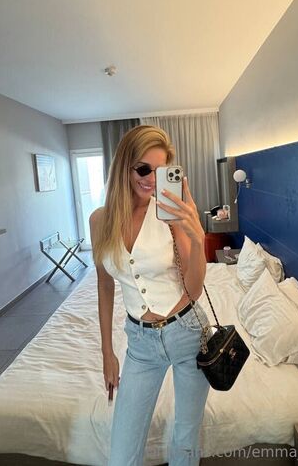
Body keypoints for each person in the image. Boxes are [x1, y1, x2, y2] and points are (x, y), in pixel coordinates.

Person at [90, 125, 210, 466]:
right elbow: (104, 284)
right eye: (143, 169)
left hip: (187, 332)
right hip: (140, 344)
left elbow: (194, 289)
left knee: (185, 439)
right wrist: (107, 352)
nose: (151, 180)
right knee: (121, 454)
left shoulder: (170, 215)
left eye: (160, 172)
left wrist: (198, 238)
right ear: (124, 166)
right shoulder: (99, 221)